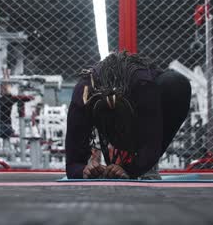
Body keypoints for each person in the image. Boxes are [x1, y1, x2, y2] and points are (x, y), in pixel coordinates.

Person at [65, 51, 191, 179]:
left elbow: (151, 145)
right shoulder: (83, 94)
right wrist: (84, 170)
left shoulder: (144, 87)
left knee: (175, 84)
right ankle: (139, 164)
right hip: (119, 100)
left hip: (146, 101)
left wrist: (131, 170)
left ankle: (145, 167)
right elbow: (72, 164)